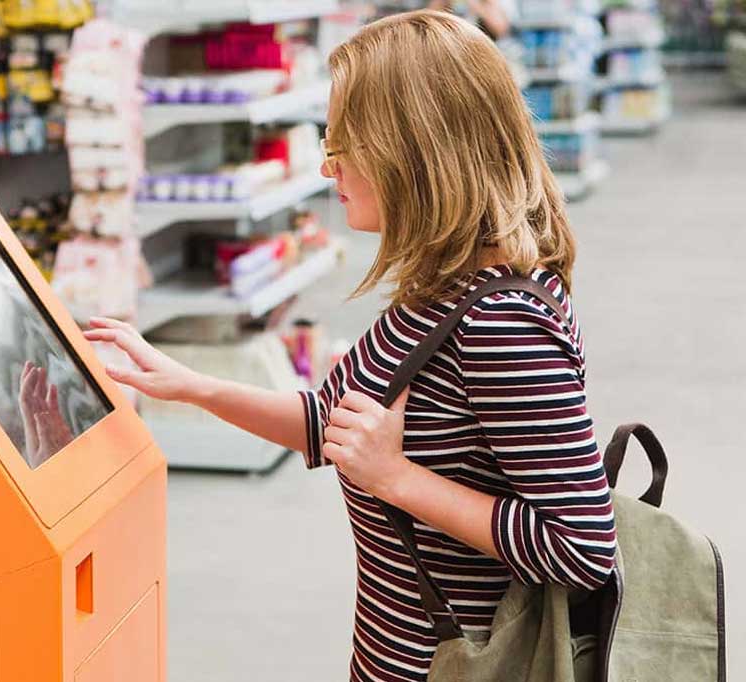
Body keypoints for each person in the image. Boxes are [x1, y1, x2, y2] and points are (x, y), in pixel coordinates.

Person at [85, 11, 616, 681]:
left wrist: (396, 479)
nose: (326, 164)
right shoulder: (446, 286)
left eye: (342, 141)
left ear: (415, 149)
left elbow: (580, 547)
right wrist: (192, 386)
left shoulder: (501, 323)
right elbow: (336, 427)